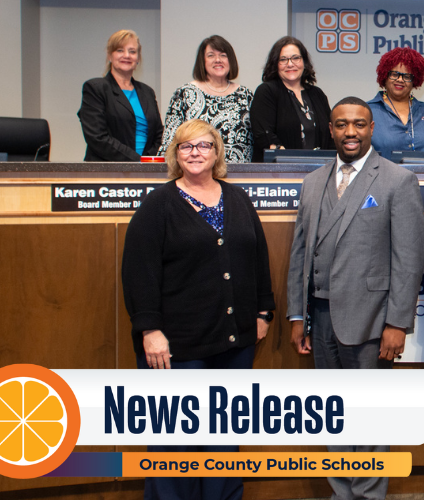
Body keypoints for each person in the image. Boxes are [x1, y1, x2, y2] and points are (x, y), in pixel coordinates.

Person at [122, 119, 275, 500]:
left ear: (216, 153)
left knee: (224, 440)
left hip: (234, 342)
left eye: (204, 146)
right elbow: (138, 272)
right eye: (186, 146)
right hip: (178, 346)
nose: (195, 153)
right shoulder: (159, 204)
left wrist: (262, 313)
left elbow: (258, 257)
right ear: (175, 154)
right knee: (175, 444)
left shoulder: (236, 197)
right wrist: (149, 330)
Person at [286, 97, 424, 500]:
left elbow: (409, 259)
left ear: (371, 128)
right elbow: (300, 254)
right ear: (330, 129)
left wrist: (398, 324)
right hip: (321, 317)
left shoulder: (397, 181)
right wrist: (299, 315)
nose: (351, 132)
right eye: (342, 124)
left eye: (360, 124)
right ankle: (341, 493)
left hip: (370, 322)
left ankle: (366, 496)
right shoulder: (313, 182)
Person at [159, 35, 254, 163]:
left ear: (230, 60)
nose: (217, 60)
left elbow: (256, 140)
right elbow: (169, 142)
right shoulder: (185, 93)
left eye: (223, 55)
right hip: (195, 175)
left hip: (239, 175)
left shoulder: (246, 95)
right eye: (211, 55)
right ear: (202, 62)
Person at [78, 29, 163, 161]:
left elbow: (159, 134)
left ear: (138, 59)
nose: (127, 55)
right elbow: (97, 137)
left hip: (146, 172)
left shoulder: (147, 92)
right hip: (107, 171)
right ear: (109, 56)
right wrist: (137, 161)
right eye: (120, 50)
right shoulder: (95, 88)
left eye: (132, 51)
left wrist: (147, 162)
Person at [250, 36, 333, 162]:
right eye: (283, 59)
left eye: (295, 58)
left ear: (304, 62)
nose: (290, 64)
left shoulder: (317, 94)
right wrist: (290, 161)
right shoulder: (266, 92)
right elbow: (263, 135)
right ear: (275, 64)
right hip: (279, 172)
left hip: (318, 170)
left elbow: (330, 134)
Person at [367, 47, 424, 153]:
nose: (400, 80)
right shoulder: (368, 111)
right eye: (394, 74)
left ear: (415, 80)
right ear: (384, 76)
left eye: (407, 76)